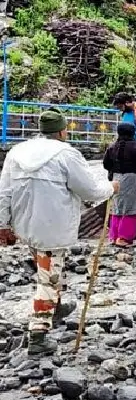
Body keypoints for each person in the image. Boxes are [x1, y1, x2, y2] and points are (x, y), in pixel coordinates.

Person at [0, 111, 117, 355]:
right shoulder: (66, 154)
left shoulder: (17, 153)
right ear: (63, 131)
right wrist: (111, 187)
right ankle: (38, 335)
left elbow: (4, 192)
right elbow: (90, 190)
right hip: (53, 226)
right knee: (49, 277)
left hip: (25, 224)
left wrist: (3, 224)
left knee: (47, 268)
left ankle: (57, 306)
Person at [103, 123, 136, 246]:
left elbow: (106, 164)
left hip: (115, 179)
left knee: (117, 207)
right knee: (131, 209)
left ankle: (113, 236)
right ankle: (124, 238)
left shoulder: (112, 147)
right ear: (133, 133)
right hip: (131, 179)